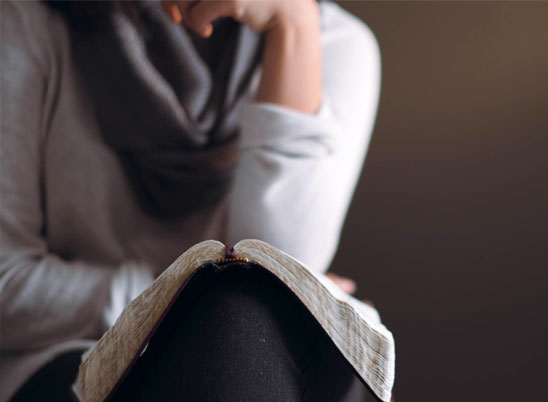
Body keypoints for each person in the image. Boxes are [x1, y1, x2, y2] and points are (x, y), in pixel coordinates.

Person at [0, 0, 380, 400]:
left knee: (245, 329)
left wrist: (292, 27)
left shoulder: (332, 43)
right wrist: (183, 292)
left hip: (254, 361)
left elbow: (279, 275)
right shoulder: (30, 21)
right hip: (68, 361)